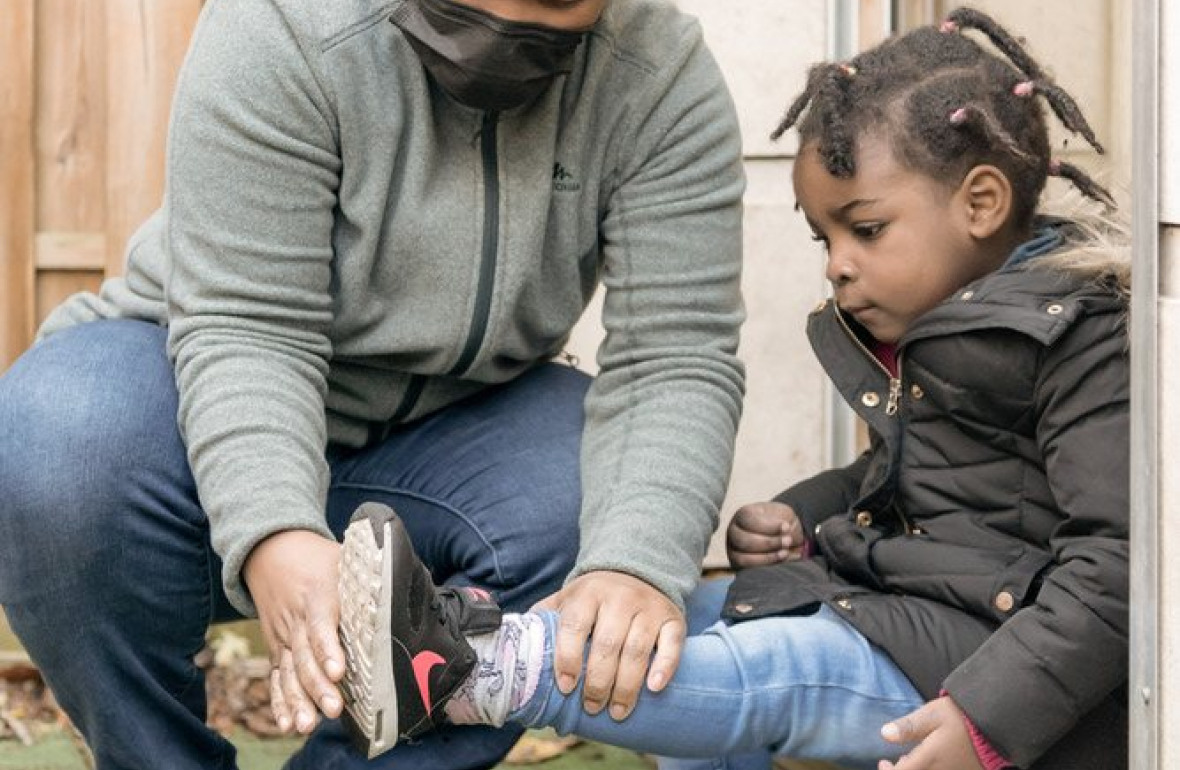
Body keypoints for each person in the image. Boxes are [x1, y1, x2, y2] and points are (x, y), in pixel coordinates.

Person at [333, 8, 1130, 770]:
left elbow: (1117, 565)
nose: (836, 264)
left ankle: (473, 669)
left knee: (761, 672)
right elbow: (914, 479)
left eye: (867, 229)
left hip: (985, 672)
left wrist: (989, 717)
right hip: (909, 615)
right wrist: (805, 519)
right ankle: (482, 644)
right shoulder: (938, 326)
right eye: (825, 238)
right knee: (686, 626)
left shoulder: (1079, 337)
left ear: (981, 203)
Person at [0, 0, 748, 767]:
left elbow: (677, 354)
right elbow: (250, 323)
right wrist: (274, 530)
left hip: (451, 441)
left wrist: (632, 563)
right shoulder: (284, 24)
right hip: (198, 411)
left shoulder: (659, 73)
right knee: (59, 443)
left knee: (589, 500)